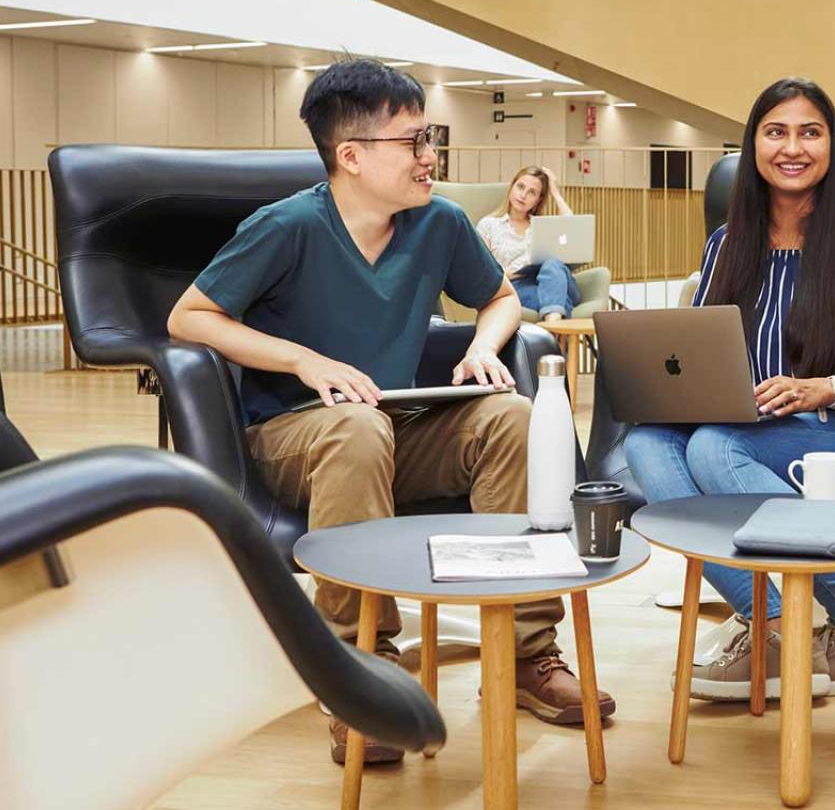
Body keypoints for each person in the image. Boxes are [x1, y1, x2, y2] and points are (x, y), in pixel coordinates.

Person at [167, 60, 614, 766]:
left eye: (428, 137)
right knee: (354, 426)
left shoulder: (437, 223)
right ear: (351, 156)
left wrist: (482, 348)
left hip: (393, 425)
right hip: (297, 433)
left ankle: (525, 649)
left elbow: (498, 297)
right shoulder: (283, 228)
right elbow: (189, 317)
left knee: (511, 416)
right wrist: (301, 360)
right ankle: (358, 675)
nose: (431, 156)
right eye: (414, 142)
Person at [624, 77, 835, 700]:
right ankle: (782, 623)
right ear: (753, 147)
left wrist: (823, 389)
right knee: (648, 444)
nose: (793, 147)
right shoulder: (727, 244)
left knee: (711, 449)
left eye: (809, 132)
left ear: (832, 147)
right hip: (740, 423)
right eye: (776, 132)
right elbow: (692, 352)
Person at [476, 165, 581, 322]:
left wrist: (555, 192)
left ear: (538, 200)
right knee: (559, 300)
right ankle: (554, 323)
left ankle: (552, 322)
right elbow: (482, 271)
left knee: (552, 264)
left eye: (532, 192)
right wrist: (513, 273)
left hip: (559, 280)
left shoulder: (542, 226)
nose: (523, 195)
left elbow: (572, 231)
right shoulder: (489, 225)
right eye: (520, 187)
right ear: (512, 187)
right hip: (517, 286)